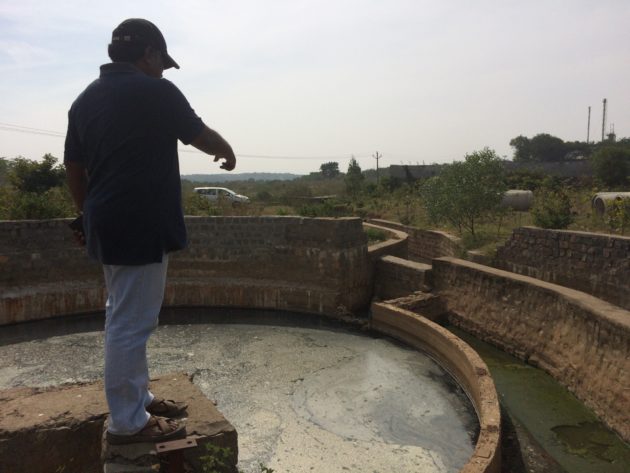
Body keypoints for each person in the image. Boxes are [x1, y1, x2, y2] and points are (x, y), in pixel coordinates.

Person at [64, 18, 236, 445]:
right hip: (140, 221)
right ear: (150, 54)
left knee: (123, 312)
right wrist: (227, 150)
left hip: (107, 219)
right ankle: (128, 422)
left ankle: (137, 398)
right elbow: (199, 135)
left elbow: (74, 166)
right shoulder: (156, 90)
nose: (162, 70)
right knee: (131, 321)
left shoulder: (85, 99)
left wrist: (86, 213)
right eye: (161, 62)